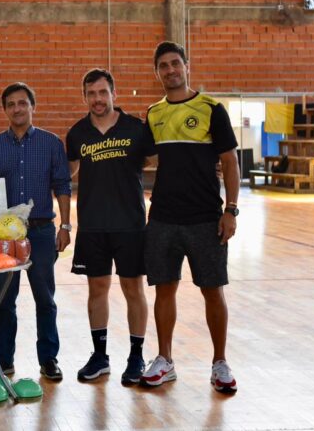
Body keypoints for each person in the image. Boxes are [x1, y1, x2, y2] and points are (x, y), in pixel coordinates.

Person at [140, 41, 240, 394]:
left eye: (174, 64)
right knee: (164, 290)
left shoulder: (212, 109)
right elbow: (144, 158)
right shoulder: (153, 114)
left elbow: (229, 161)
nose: (170, 70)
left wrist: (230, 210)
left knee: (213, 291)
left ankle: (220, 363)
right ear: (157, 73)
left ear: (187, 66)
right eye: (163, 66)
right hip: (164, 218)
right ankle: (165, 360)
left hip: (205, 219)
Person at [0, 82, 72, 381]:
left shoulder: (51, 143)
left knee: (45, 298)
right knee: (5, 299)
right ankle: (4, 362)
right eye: (11, 104)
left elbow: (63, 187)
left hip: (41, 232)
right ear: (5, 110)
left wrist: (66, 225)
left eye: (22, 103)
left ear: (33, 106)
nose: (17, 108)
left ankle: (49, 359)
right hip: (2, 239)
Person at [65, 69, 152, 384]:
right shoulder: (77, 134)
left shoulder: (137, 130)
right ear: (85, 96)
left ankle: (136, 356)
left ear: (114, 94)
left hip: (130, 224)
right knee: (96, 290)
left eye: (102, 93)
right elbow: (68, 173)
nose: (97, 99)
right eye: (91, 94)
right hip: (92, 226)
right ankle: (100, 356)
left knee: (133, 289)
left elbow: (160, 163)